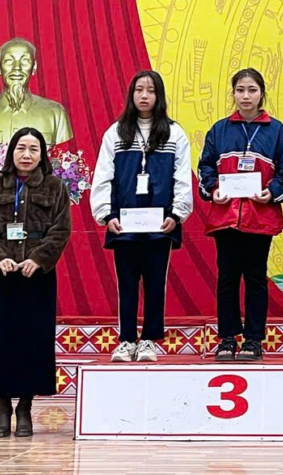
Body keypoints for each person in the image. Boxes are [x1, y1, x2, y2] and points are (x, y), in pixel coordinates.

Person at [0, 127, 72, 438]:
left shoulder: (55, 187)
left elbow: (60, 230)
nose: (26, 155)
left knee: (32, 341)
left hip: (37, 277)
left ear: (42, 155)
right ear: (11, 152)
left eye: (33, 149)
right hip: (1, 277)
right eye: (21, 148)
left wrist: (39, 259)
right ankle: (2, 408)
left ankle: (25, 407)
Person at [90, 70, 194, 363]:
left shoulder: (174, 133)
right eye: (139, 90)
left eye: (150, 90)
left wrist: (177, 213)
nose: (144, 96)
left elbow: (182, 177)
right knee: (126, 283)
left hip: (160, 223)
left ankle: (148, 340)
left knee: (155, 282)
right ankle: (126, 340)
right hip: (124, 224)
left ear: (159, 96)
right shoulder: (116, 132)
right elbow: (103, 176)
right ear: (131, 95)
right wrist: (106, 214)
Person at [198, 68, 283, 361]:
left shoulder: (277, 131)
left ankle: (253, 340)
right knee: (227, 278)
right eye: (240, 90)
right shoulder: (219, 130)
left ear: (262, 93)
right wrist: (213, 189)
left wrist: (271, 192)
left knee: (255, 278)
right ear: (233, 94)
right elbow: (205, 167)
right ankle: (227, 339)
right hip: (226, 217)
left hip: (259, 218)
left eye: (252, 90)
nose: (246, 96)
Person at [0, 38, 73, 147]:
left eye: (25, 61)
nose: (17, 67)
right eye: (9, 61)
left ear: (34, 67)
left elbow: (61, 155)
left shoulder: (56, 113)